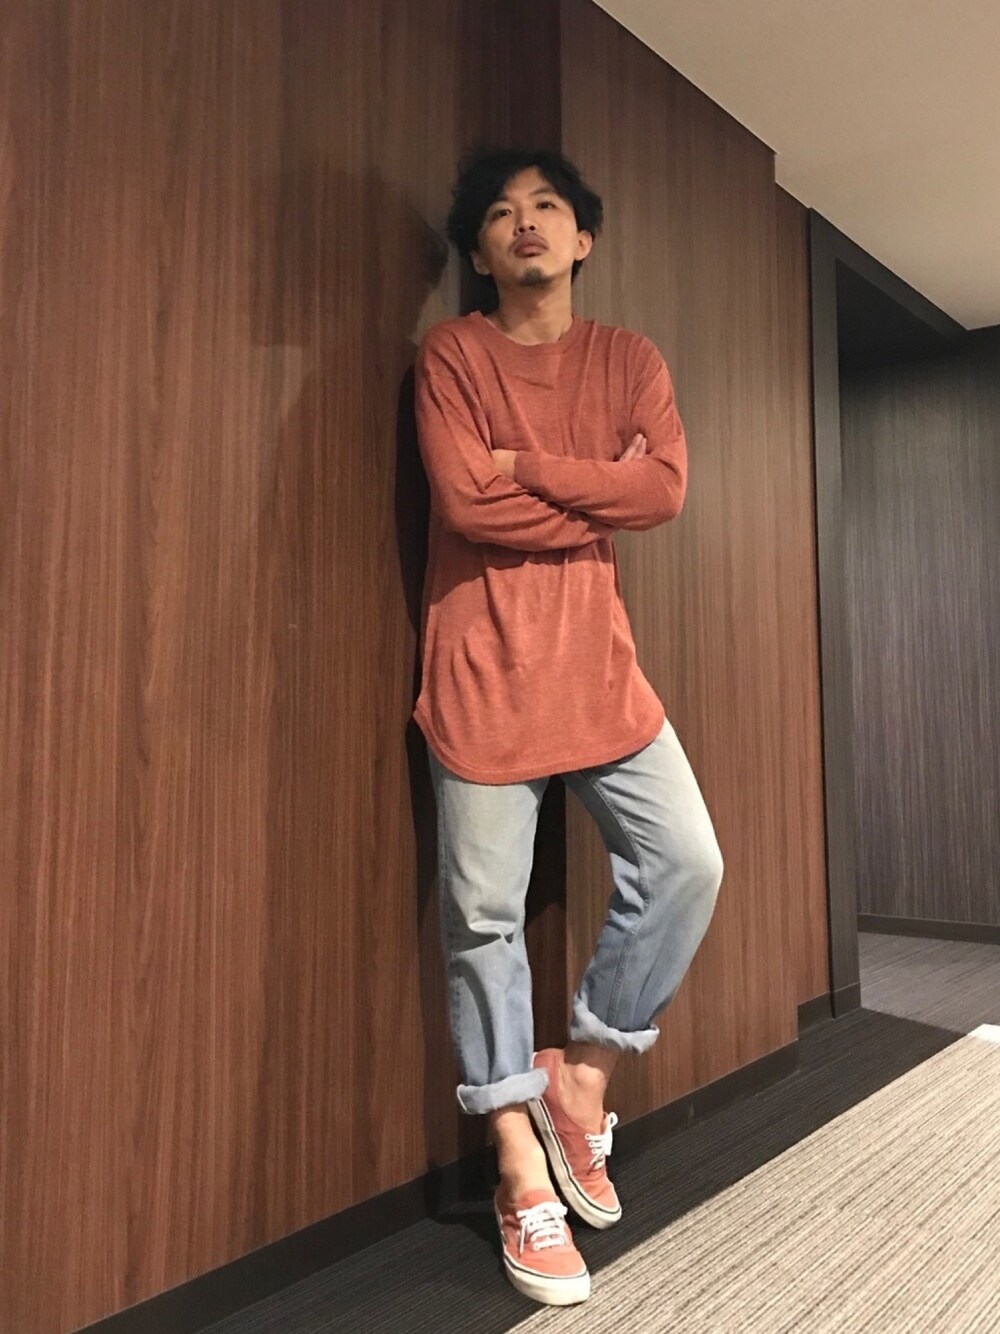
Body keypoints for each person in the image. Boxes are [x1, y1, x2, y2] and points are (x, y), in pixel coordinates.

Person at [412, 146, 724, 1307]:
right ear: (481, 250)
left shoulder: (627, 358)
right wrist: (596, 486)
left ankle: (582, 1075)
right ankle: (515, 1163)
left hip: (599, 673)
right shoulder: (452, 355)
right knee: (482, 919)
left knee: (687, 861)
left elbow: (664, 490)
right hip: (483, 672)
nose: (526, 223)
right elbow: (465, 501)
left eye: (546, 207)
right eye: (502, 213)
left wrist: (528, 465)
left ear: (582, 239)